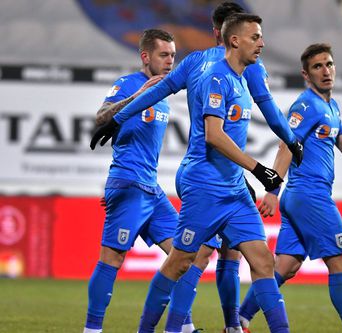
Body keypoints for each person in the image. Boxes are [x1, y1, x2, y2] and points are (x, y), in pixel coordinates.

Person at [90, 3, 302, 333]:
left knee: (260, 261)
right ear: (231, 38)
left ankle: (232, 325)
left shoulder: (245, 70)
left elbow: (271, 111)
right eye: (255, 37)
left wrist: (292, 140)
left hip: (231, 183)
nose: (262, 44)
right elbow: (212, 132)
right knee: (183, 260)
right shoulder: (211, 71)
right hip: (203, 182)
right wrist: (117, 117)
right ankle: (159, 328)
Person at [237, 43, 342, 333]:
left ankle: (239, 321)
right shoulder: (306, 105)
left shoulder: (331, 106)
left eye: (329, 64)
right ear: (306, 74)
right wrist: (272, 191)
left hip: (303, 198)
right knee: (340, 260)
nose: (325, 71)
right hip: (309, 195)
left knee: (285, 266)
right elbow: (286, 144)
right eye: (318, 67)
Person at [84, 29, 202, 333]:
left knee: (185, 256)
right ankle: (92, 330)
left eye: (174, 56)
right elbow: (101, 118)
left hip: (152, 190)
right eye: (164, 55)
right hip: (130, 185)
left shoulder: (164, 93)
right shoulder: (128, 84)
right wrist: (138, 96)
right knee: (113, 257)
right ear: (145, 56)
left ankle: (185, 327)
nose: (170, 61)